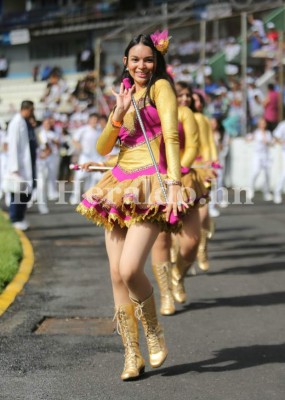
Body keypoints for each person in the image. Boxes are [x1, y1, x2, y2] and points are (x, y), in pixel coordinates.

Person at [76, 31, 187, 381]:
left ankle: (153, 330)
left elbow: (170, 136)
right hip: (118, 185)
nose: (142, 65)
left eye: (149, 59)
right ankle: (131, 354)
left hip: (151, 184)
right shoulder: (125, 95)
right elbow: (102, 147)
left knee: (129, 270)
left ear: (157, 62)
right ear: (125, 62)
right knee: (115, 276)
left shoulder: (161, 88)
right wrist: (118, 113)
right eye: (136, 59)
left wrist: (173, 185)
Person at [151, 80, 207, 314]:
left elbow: (193, 146)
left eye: (186, 95)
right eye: (179, 94)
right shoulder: (151, 114)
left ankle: (178, 275)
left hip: (184, 178)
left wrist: (177, 173)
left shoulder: (185, 114)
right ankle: (165, 295)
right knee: (161, 241)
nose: (183, 99)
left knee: (191, 241)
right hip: (157, 182)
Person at [6, 101, 35, 230]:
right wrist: (14, 167)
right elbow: (13, 145)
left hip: (27, 164)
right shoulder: (16, 123)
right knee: (18, 193)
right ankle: (15, 218)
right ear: (26, 109)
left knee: (25, 193)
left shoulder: (24, 122)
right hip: (19, 166)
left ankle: (21, 217)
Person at [247, 117, 273, 201]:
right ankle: (250, 188)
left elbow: (271, 143)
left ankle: (266, 192)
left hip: (266, 155)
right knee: (255, 171)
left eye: (264, 123)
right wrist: (250, 138)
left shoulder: (268, 133)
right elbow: (248, 138)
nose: (263, 125)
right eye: (261, 123)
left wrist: (268, 141)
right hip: (257, 155)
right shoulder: (256, 133)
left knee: (267, 174)